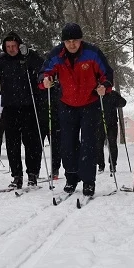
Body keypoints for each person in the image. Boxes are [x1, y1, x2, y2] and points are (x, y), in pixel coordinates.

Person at [39, 23, 114, 197]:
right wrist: (45, 80)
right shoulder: (56, 54)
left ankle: (88, 181)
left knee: (88, 143)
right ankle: (71, 177)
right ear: (63, 42)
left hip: (90, 103)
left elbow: (107, 74)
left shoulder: (92, 53)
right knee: (67, 143)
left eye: (75, 41)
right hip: (66, 104)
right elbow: (44, 72)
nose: (72, 44)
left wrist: (104, 86)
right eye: (68, 41)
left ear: (81, 40)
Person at [0, 31, 44, 189]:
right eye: (8, 46)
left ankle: (32, 174)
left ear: (19, 45)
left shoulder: (26, 56)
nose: (11, 49)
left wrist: (28, 53)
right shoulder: (2, 60)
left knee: (31, 143)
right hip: (10, 107)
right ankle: (17, 175)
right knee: (12, 144)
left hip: (29, 106)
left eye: (13, 46)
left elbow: (41, 66)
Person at [97, 89, 128, 173]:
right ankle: (100, 165)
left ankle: (113, 165)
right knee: (98, 145)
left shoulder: (113, 93)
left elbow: (123, 102)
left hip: (112, 123)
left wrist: (117, 102)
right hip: (99, 123)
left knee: (112, 144)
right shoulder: (97, 94)